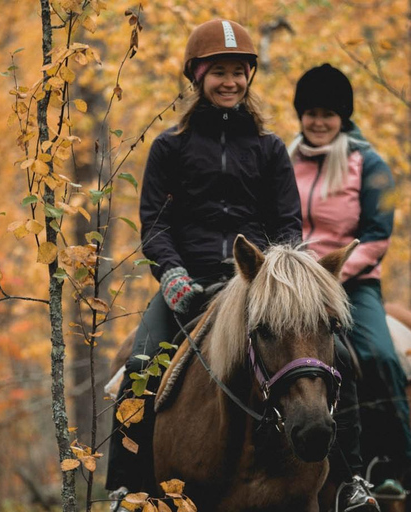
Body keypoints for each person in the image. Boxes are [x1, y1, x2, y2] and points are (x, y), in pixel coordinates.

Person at [105, 18, 319, 511]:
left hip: (254, 288)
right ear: (197, 77)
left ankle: (346, 482)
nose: (230, 81)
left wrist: (274, 279)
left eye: (238, 71)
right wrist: (172, 272)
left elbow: (288, 226)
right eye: (218, 71)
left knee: (331, 361)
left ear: (250, 77)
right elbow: (155, 227)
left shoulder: (269, 151)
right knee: (139, 366)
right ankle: (124, 488)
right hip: (189, 285)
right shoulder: (169, 148)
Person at [289, 63, 411, 501]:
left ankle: (392, 464)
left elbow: (379, 234)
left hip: (353, 281)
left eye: (328, 113)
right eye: (311, 113)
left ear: (343, 116)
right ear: (300, 115)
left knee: (377, 354)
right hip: (295, 286)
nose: (319, 121)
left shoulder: (370, 162)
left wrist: (334, 275)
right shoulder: (285, 160)